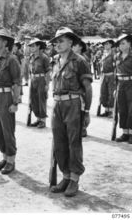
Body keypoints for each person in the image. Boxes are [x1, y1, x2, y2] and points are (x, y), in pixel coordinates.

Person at [49, 27, 93, 197]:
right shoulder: (55, 61)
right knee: (59, 142)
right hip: (58, 105)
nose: (58, 44)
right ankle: (65, 176)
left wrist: (87, 111)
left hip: (73, 104)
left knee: (74, 143)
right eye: (56, 42)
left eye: (61, 41)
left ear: (70, 42)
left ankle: (74, 178)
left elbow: (88, 89)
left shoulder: (80, 61)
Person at [0, 28, 21, 175]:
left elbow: (17, 83)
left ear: (5, 42)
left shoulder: (11, 59)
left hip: (6, 97)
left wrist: (15, 102)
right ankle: (4, 157)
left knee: (8, 129)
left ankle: (11, 160)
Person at [27, 38, 51, 128]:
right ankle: (38, 118)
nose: (31, 48)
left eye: (33, 46)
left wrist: (47, 84)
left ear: (38, 46)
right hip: (33, 80)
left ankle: (43, 120)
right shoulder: (31, 57)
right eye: (30, 46)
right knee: (33, 100)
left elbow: (48, 72)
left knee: (41, 100)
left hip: (41, 79)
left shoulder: (44, 57)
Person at [114, 34, 132, 144]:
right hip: (120, 84)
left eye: (123, 43)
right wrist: (115, 88)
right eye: (119, 44)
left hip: (131, 84)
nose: (121, 45)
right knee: (122, 109)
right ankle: (125, 133)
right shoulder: (117, 56)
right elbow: (116, 73)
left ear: (130, 44)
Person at [72, 39, 91, 137]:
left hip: (82, 87)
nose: (73, 47)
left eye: (75, 45)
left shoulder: (83, 59)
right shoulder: (72, 58)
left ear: (80, 47)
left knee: (82, 108)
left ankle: (83, 128)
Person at [97, 39, 116, 118]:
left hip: (111, 75)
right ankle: (106, 110)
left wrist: (115, 77)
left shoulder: (113, 54)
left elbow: (116, 66)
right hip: (104, 75)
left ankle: (111, 111)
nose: (105, 45)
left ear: (111, 45)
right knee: (104, 92)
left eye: (107, 44)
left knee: (111, 93)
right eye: (104, 44)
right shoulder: (104, 54)